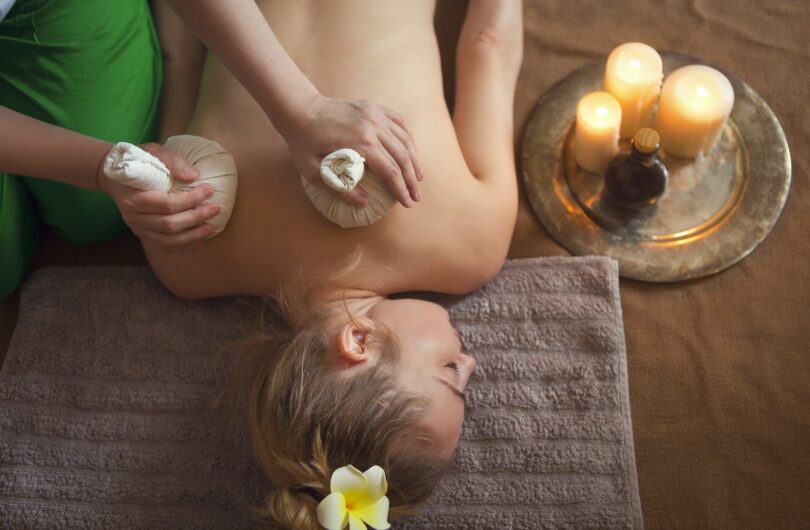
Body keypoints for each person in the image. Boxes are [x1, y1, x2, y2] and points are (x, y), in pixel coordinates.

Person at [146, 1, 523, 528]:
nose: (471, 363)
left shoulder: (471, 244)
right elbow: (178, 56)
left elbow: (489, 46)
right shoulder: (186, 261)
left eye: (449, 375)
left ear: (359, 343)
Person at [0, 0, 423, 300]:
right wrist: (98, 168)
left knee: (87, 220)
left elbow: (179, 61)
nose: (467, 364)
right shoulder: (472, 248)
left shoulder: (185, 273)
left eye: (450, 370)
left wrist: (304, 109)